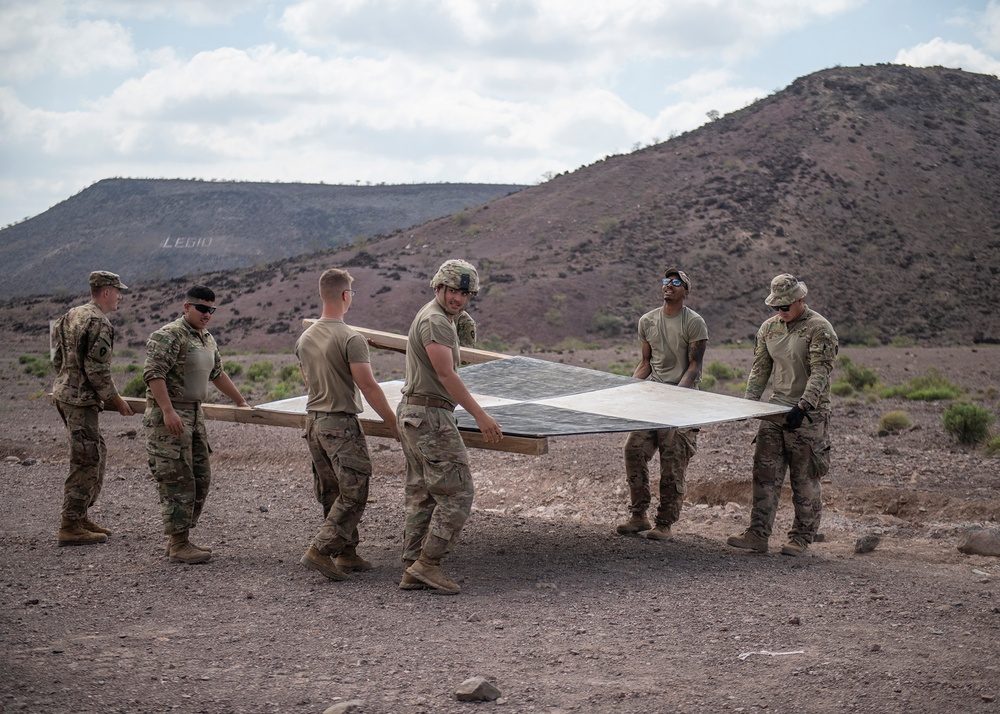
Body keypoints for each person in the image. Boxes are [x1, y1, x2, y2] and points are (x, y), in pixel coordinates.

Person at [397, 259, 503, 594]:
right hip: (430, 415)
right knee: (459, 493)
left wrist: (461, 319)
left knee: (424, 494)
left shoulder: (441, 317)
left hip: (417, 412)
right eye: (453, 290)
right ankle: (427, 565)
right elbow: (446, 374)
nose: (458, 298)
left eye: (465, 293)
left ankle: (412, 568)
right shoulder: (436, 321)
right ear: (439, 287)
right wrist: (481, 415)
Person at [295, 268, 399, 582]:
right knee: (354, 491)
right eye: (351, 294)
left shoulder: (306, 337)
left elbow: (308, 379)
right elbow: (368, 385)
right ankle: (321, 550)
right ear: (345, 296)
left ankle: (346, 553)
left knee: (331, 490)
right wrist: (392, 423)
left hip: (314, 422)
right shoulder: (350, 338)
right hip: (340, 424)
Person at [727, 273, 838, 556]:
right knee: (765, 474)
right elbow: (760, 368)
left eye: (785, 306)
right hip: (775, 412)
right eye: (776, 307)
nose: (781, 311)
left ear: (800, 300)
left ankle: (800, 538)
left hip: (808, 416)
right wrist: (749, 402)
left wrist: (803, 406)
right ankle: (758, 534)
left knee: (804, 479)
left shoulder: (819, 329)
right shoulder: (769, 329)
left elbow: (821, 372)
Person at [142, 285, 250, 564]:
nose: (207, 314)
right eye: (202, 308)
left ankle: (178, 538)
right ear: (186, 307)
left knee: (201, 478)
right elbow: (154, 374)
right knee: (178, 479)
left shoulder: (207, 339)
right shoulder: (168, 336)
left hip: (194, 413)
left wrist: (241, 402)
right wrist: (167, 411)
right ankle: (179, 543)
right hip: (171, 415)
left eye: (211, 309)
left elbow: (217, 374)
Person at [616, 268, 708, 541]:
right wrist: (627, 391)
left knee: (672, 463)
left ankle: (664, 523)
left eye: (676, 282)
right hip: (653, 400)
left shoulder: (694, 322)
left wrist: (675, 398)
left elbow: (694, 367)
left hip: (682, 401)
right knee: (633, 450)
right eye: (666, 281)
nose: (669, 285)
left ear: (685, 291)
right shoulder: (647, 321)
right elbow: (645, 364)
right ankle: (638, 515)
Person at [51, 271, 135, 546]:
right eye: (118, 291)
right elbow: (96, 369)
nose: (121, 296)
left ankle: (80, 515)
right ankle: (70, 524)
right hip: (80, 400)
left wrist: (67, 380)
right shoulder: (98, 322)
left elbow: (57, 357)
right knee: (86, 459)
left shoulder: (71, 314)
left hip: (65, 393)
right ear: (106, 292)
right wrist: (115, 399)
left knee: (95, 450)